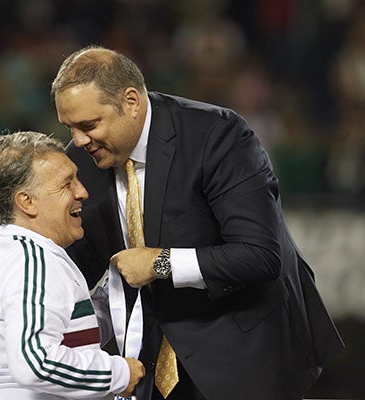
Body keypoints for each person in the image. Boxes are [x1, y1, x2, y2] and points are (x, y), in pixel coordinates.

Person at [50, 45, 344, 400]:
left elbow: (261, 255)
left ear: (131, 101)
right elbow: (70, 265)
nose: (79, 141)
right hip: (151, 366)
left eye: (88, 125)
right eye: (70, 128)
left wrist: (160, 262)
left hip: (246, 354)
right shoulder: (79, 159)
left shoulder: (217, 136)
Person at [0, 131, 145, 399]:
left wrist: (117, 286)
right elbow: (35, 363)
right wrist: (119, 373)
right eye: (67, 184)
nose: (83, 192)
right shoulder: (30, 262)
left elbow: (70, 334)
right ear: (27, 201)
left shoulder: (32, 254)